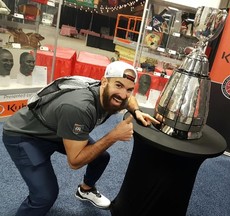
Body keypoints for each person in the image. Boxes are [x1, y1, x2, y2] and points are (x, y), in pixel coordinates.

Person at [2, 61, 159, 216]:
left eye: (129, 89)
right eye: (118, 86)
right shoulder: (80, 108)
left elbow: (129, 99)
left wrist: (137, 111)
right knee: (45, 196)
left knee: (101, 157)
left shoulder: (109, 93)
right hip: (25, 136)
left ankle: (85, 190)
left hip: (55, 130)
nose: (123, 94)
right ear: (104, 82)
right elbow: (75, 162)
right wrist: (113, 136)